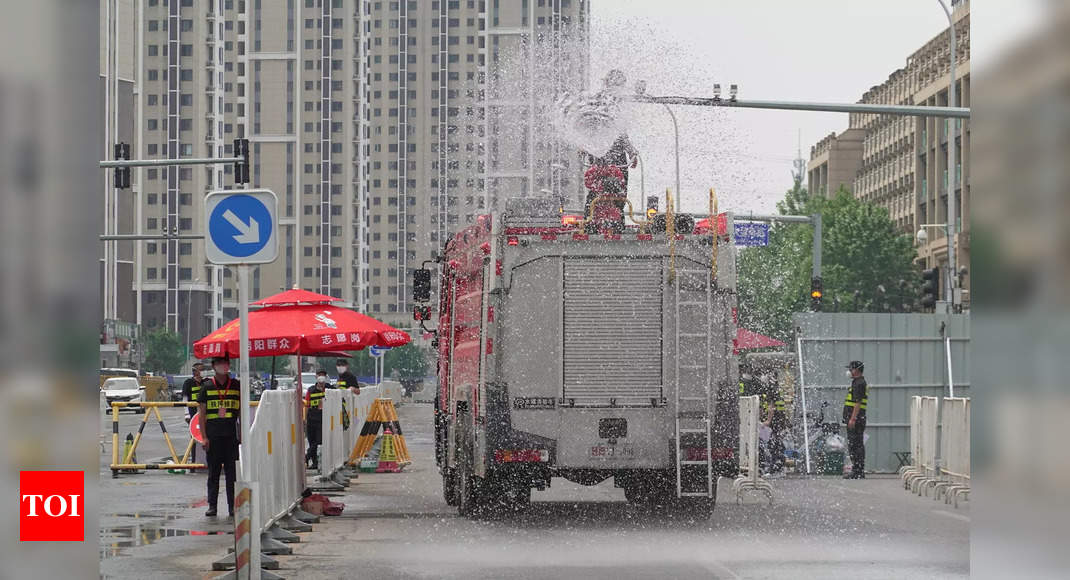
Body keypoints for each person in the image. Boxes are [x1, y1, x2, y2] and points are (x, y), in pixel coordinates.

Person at [197, 356, 241, 517]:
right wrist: (204, 437)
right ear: (214, 366)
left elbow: (241, 413)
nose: (224, 366)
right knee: (213, 474)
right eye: (220, 363)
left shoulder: (236, 386)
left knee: (232, 475)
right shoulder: (207, 387)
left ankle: (232, 507)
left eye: (226, 363)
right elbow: (202, 415)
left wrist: (242, 435)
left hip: (231, 437)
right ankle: (212, 506)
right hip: (213, 437)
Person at [842, 360, 869, 479]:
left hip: (856, 420)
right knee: (854, 444)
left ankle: (858, 470)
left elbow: (858, 403)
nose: (849, 371)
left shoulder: (859, 383)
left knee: (856, 445)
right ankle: (857, 469)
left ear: (856, 370)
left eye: (851, 369)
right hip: (856, 419)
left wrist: (852, 419)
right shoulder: (856, 382)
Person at [760, 373, 788, 475]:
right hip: (780, 421)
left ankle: (774, 468)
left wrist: (768, 421)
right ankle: (779, 467)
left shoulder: (770, 390)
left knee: (773, 445)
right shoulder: (776, 390)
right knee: (777, 444)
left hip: (776, 422)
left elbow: (771, 407)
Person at [305, 369, 330, 470]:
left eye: (323, 375)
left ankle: (306, 457)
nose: (321, 377)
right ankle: (314, 463)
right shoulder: (311, 390)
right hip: (311, 417)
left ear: (326, 377)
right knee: (312, 440)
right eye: (319, 375)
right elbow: (307, 405)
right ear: (316, 377)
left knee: (319, 440)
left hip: (323, 418)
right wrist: (305, 418)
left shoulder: (329, 389)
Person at [182, 362, 205, 472]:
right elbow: (185, 399)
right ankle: (193, 463)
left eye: (203, 369)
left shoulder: (207, 382)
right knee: (194, 439)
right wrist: (187, 414)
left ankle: (207, 462)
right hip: (193, 416)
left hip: (206, 414)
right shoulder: (188, 383)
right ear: (194, 371)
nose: (202, 372)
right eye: (200, 369)